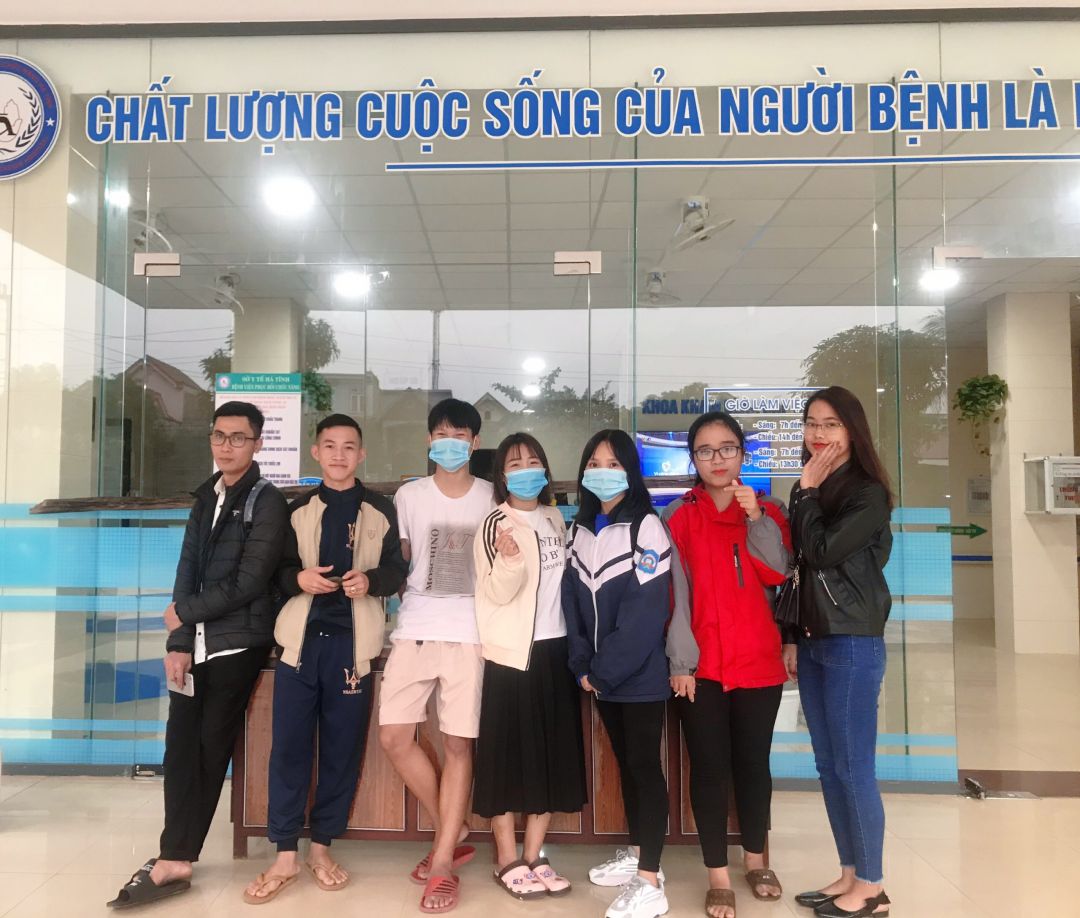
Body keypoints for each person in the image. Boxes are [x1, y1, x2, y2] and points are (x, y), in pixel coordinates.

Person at [108, 401, 290, 909]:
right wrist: (179, 640)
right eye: (219, 436)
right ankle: (174, 853)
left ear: (257, 443)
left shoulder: (267, 501)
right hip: (197, 642)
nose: (227, 446)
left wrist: (182, 613)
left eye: (238, 437)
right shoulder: (205, 496)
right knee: (179, 748)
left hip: (238, 643)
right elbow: (186, 570)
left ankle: (177, 857)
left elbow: (250, 581)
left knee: (210, 749)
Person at [243, 413, 408, 904]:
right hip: (299, 646)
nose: (339, 454)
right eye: (330, 446)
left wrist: (371, 582)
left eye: (349, 446)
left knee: (341, 750)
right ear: (316, 453)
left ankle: (321, 849)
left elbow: (397, 570)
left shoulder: (381, 509)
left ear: (361, 454)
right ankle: (285, 855)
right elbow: (274, 571)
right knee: (288, 749)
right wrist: (299, 579)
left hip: (353, 649)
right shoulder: (295, 509)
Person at [664, 410, 795, 918]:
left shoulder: (769, 510)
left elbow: (777, 572)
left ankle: (757, 860)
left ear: (743, 453)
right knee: (710, 768)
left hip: (758, 661)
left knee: (754, 765)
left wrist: (756, 519)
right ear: (693, 459)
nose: (716, 459)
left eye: (727, 448)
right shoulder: (678, 516)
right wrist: (681, 661)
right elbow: (675, 597)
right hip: (701, 667)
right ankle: (717, 873)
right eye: (705, 450)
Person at [378, 398, 495, 914]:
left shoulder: (492, 496)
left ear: (474, 442)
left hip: (471, 633)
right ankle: (454, 826)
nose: (450, 443)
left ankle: (444, 860)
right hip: (416, 628)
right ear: (429, 441)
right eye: (441, 434)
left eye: (460, 435)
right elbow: (399, 560)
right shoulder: (409, 495)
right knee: (394, 736)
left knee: (457, 745)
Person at [789, 386, 893, 918]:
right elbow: (798, 566)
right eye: (812, 422)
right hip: (814, 639)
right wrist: (791, 636)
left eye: (830, 423)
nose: (819, 433)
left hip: (853, 640)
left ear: (852, 430)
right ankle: (850, 872)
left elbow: (823, 550)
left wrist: (806, 494)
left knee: (853, 766)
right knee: (829, 765)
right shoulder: (811, 487)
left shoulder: (868, 493)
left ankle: (871, 886)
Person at [472, 433, 587, 901]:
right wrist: (511, 560)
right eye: (515, 463)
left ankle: (535, 855)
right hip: (512, 656)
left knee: (549, 757)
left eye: (533, 461)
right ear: (502, 475)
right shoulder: (494, 523)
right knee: (506, 759)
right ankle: (506, 858)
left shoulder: (555, 517)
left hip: (556, 650)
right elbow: (495, 592)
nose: (526, 470)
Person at [563, 429, 673, 918]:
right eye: (594, 462)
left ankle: (651, 880)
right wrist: (582, 666)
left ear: (630, 470)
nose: (601, 471)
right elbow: (572, 604)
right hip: (599, 678)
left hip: (639, 677)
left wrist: (603, 672)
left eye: (613, 463)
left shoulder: (646, 526)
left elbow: (645, 613)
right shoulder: (580, 529)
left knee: (645, 767)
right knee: (628, 766)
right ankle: (637, 854)